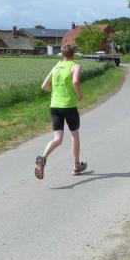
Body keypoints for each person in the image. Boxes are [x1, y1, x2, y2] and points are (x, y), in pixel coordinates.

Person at [35, 43, 87, 179]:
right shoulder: (75, 66)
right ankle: (76, 166)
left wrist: (55, 92)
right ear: (73, 54)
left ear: (62, 54)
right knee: (74, 135)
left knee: (57, 139)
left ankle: (43, 158)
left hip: (55, 106)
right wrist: (79, 95)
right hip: (69, 106)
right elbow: (75, 82)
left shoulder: (55, 67)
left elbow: (44, 86)